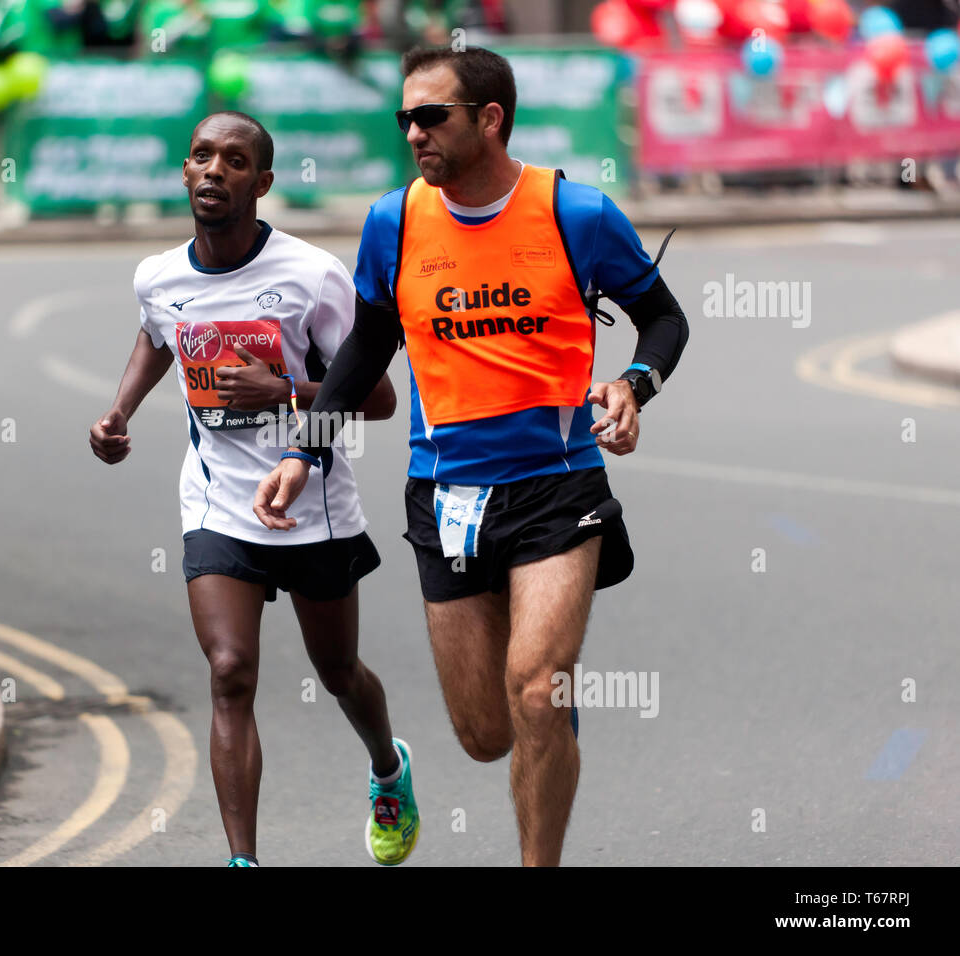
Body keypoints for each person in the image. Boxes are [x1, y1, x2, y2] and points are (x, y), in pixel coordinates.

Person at [254, 46, 689, 866]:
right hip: (445, 493)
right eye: (405, 117)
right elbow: (362, 352)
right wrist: (304, 454)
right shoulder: (395, 222)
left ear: (490, 119)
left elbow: (664, 319)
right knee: (487, 733)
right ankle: (543, 716)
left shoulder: (576, 214)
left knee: (533, 685)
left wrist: (635, 383)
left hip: (560, 486)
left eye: (432, 116)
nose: (414, 132)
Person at [89, 111, 420, 867]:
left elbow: (376, 400)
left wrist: (285, 392)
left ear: (263, 183)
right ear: (184, 172)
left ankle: (387, 766)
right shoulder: (159, 275)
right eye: (202, 156)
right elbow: (155, 332)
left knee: (338, 672)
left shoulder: (311, 276)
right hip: (217, 503)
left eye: (235, 161)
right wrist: (119, 412)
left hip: (314, 508)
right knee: (231, 671)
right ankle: (243, 861)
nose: (215, 171)